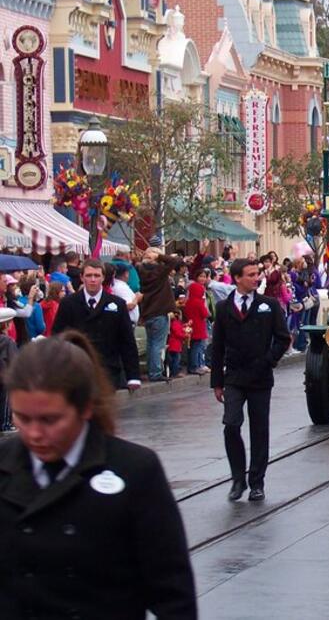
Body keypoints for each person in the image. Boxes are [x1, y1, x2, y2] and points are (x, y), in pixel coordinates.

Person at [0, 332, 196, 619]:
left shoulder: (134, 470)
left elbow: (173, 594)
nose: (34, 433)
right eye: (22, 418)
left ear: (86, 408)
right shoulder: (4, 465)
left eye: (50, 419)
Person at [210, 258, 292, 502]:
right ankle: (238, 478)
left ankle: (257, 481)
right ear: (237, 278)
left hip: (260, 377)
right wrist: (217, 381)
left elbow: (283, 338)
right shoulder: (224, 308)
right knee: (231, 424)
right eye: (251, 275)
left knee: (259, 430)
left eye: (257, 274)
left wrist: (269, 360)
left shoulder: (269, 305)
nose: (256, 278)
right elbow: (218, 346)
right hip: (234, 376)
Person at [51, 259, 140, 391]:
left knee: (103, 409)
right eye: (88, 275)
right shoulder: (69, 303)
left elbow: (127, 342)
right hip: (77, 370)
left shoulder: (117, 304)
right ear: (82, 277)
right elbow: (58, 338)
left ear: (103, 277)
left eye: (97, 275)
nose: (93, 280)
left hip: (108, 370)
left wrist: (133, 376)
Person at [138, 247, 182, 383]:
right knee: (158, 344)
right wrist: (160, 256)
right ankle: (156, 372)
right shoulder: (159, 272)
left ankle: (152, 370)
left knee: (151, 343)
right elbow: (174, 261)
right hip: (160, 312)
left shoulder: (141, 270)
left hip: (148, 312)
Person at [183, 269, 211, 375]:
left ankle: (192, 366)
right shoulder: (199, 302)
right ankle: (196, 366)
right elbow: (205, 314)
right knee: (198, 347)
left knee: (192, 347)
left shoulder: (189, 302)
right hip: (199, 326)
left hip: (191, 326)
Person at [110, 262, 141, 327]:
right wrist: (137, 298)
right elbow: (128, 306)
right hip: (126, 323)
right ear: (126, 274)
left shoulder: (116, 284)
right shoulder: (121, 288)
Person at [0, 308, 16, 431]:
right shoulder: (8, 341)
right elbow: (14, 360)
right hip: (4, 376)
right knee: (6, 398)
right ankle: (5, 423)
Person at [167, 309, 189, 380]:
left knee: (173, 359)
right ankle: (175, 372)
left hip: (174, 344)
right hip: (175, 344)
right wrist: (185, 335)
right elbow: (178, 333)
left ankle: (173, 371)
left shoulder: (174, 323)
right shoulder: (176, 323)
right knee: (176, 359)